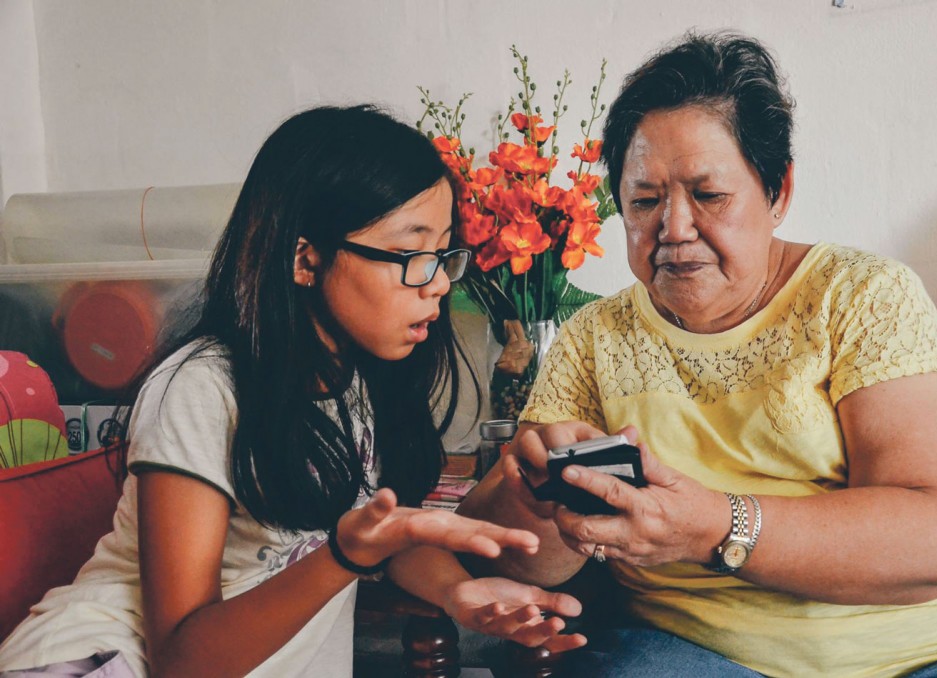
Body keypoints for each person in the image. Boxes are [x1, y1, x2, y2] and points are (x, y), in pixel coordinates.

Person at [459, 31, 937, 676]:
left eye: (709, 195)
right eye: (644, 201)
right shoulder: (593, 338)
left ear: (777, 191)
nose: (673, 229)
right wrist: (541, 499)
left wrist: (712, 525)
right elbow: (504, 556)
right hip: (699, 656)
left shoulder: (862, 295)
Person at [0, 105, 585, 677]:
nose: (435, 283)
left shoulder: (355, 381)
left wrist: (462, 595)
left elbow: (384, 533)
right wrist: (343, 555)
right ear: (305, 259)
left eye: (441, 253)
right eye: (410, 254)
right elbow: (184, 660)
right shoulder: (202, 388)